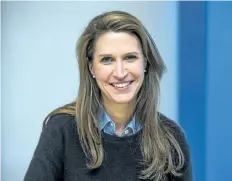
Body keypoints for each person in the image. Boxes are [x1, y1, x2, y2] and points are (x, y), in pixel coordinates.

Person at [24, 11, 192, 181]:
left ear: (146, 63)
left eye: (130, 58)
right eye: (107, 60)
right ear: (91, 68)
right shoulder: (62, 129)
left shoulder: (171, 138)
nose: (120, 73)